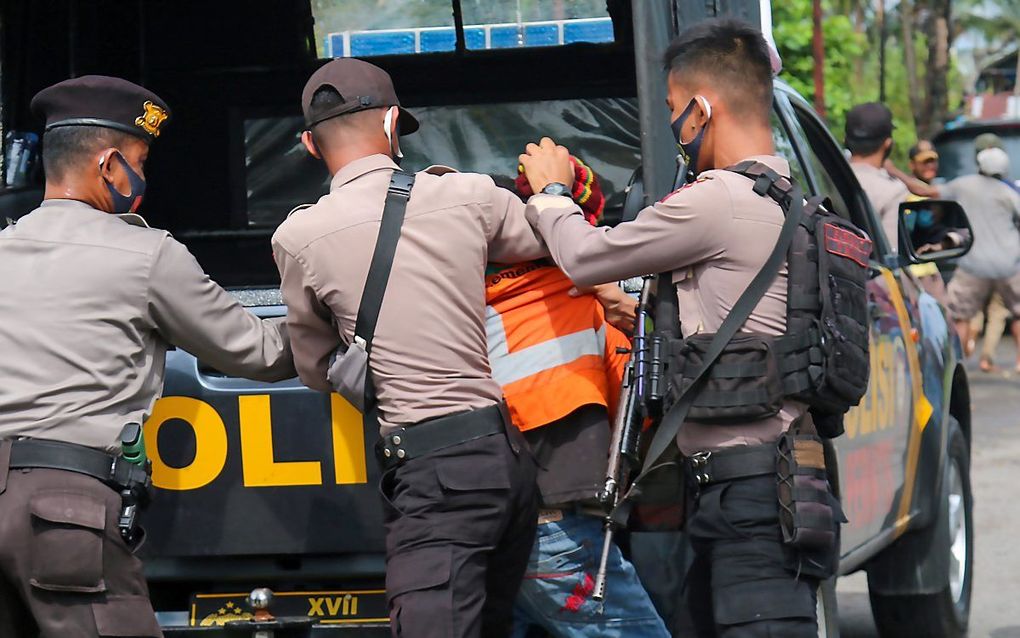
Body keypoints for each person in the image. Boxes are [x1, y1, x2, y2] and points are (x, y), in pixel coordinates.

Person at [518, 18, 837, 637]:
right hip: (760, 485)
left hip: (751, 492)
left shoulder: (716, 199)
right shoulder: (788, 201)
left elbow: (583, 254)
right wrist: (630, 310)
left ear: (701, 109)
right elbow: (731, 328)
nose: (673, 125)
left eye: (671, 109)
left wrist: (552, 191)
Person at [271, 59, 565, 638]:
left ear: (309, 144)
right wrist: (554, 188)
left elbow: (314, 367)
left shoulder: (297, 237)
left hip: (432, 475)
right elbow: (558, 239)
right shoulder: (469, 195)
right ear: (391, 124)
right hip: (506, 462)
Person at [0, 76, 295, 637]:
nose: (142, 177)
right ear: (110, 165)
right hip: (66, 512)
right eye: (139, 160)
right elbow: (256, 351)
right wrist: (333, 318)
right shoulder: (144, 254)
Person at [484, 172, 668, 637]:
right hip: (560, 533)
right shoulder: (578, 301)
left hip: (486, 530)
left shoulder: (462, 307)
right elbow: (639, 405)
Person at [942, 146, 1020, 371]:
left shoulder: (963, 185)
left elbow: (933, 194)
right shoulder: (1009, 192)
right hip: (1008, 264)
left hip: (973, 265)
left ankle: (957, 365)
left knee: (960, 316)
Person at [845, 102, 909, 252]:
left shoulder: (825, 178)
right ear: (888, 143)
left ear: (845, 140)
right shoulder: (893, 191)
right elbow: (891, 257)